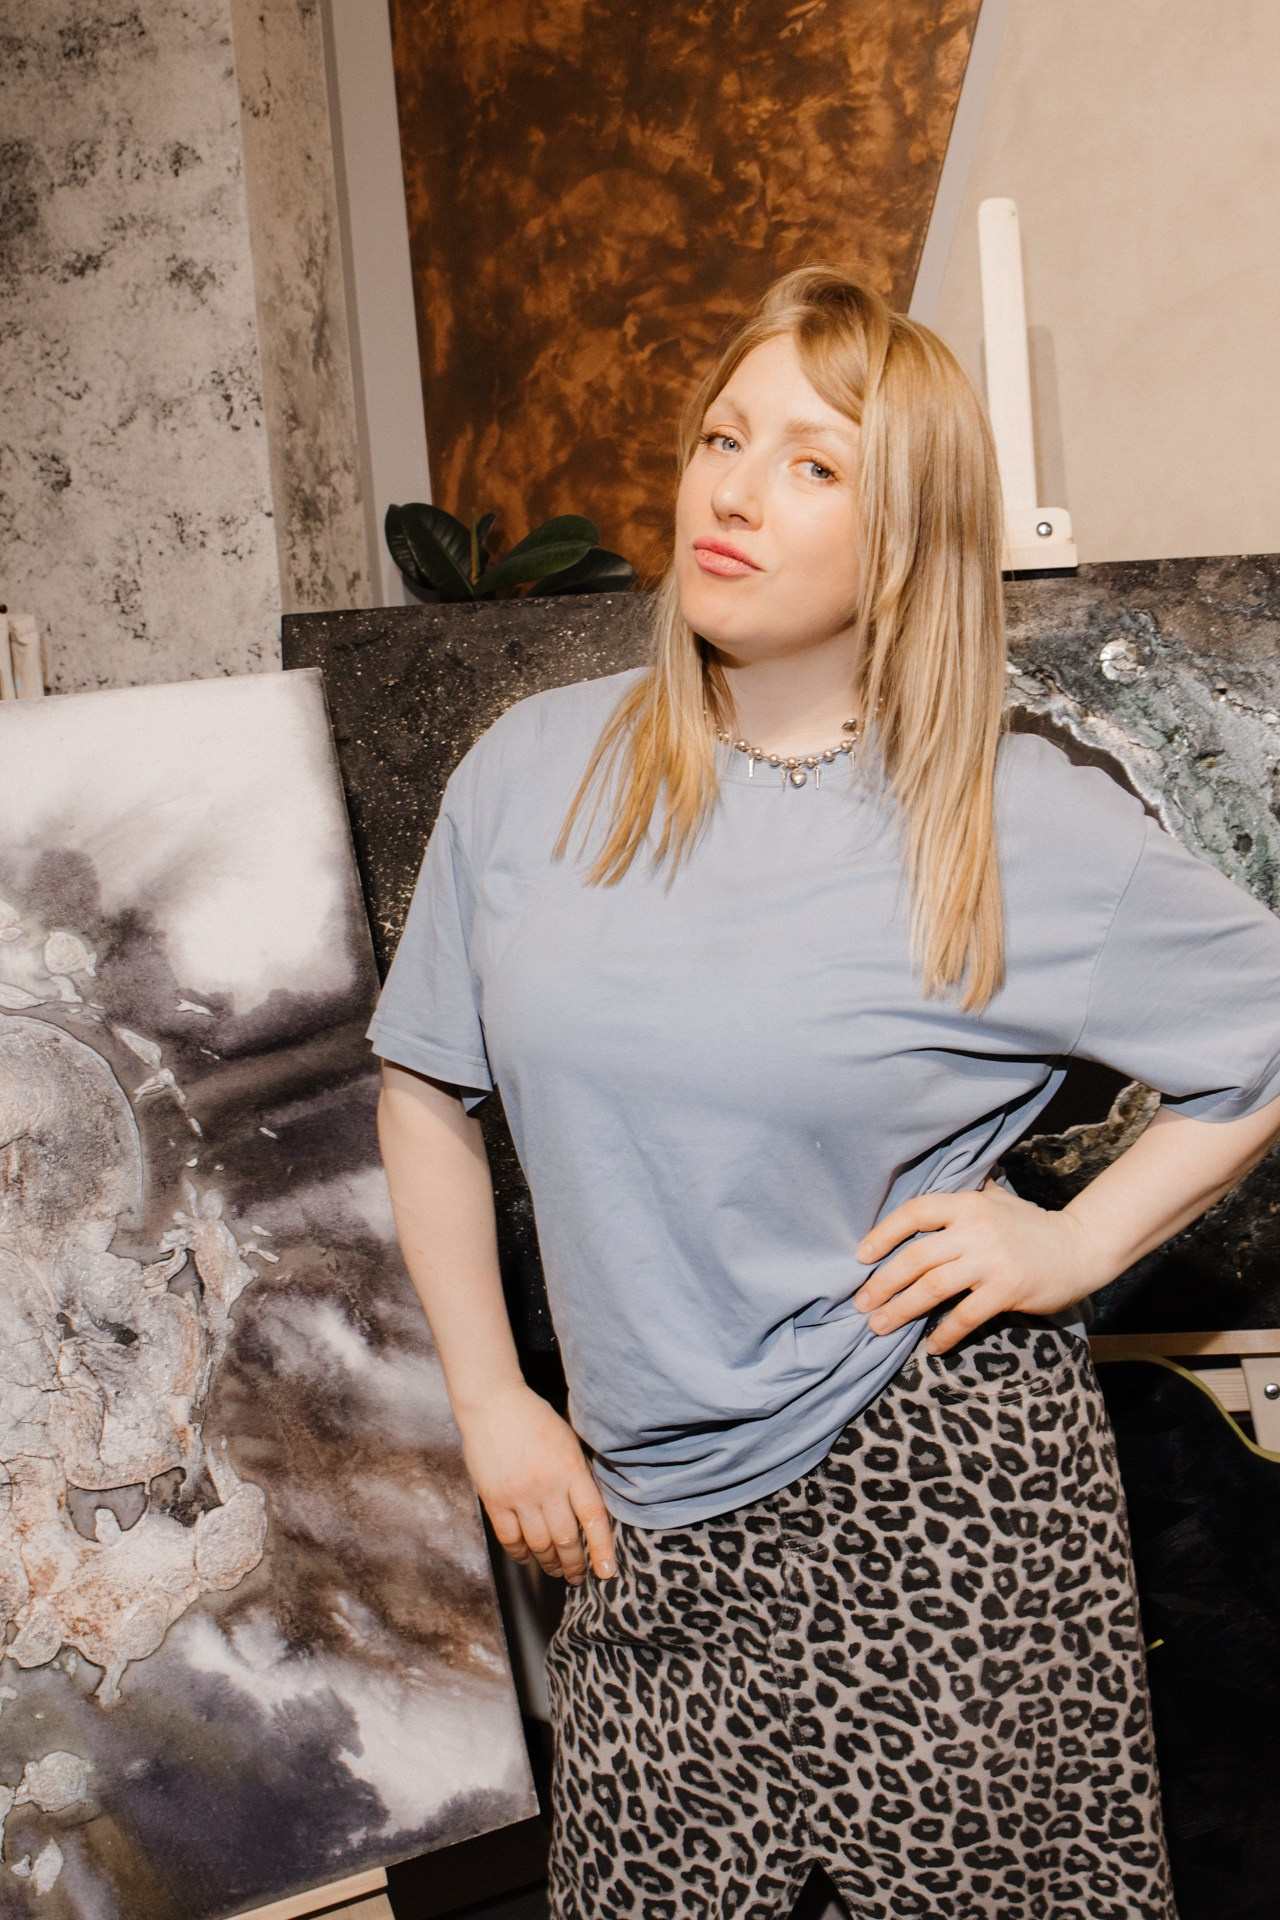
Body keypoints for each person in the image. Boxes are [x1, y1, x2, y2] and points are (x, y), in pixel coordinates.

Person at [369, 268, 1280, 1920]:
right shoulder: (530, 770)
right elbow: (425, 1086)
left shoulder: (1010, 818)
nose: (732, 490)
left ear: (908, 535)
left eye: (812, 463)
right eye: (724, 437)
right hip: (639, 1522)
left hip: (940, 1498)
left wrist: (1078, 1242)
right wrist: (491, 1400)